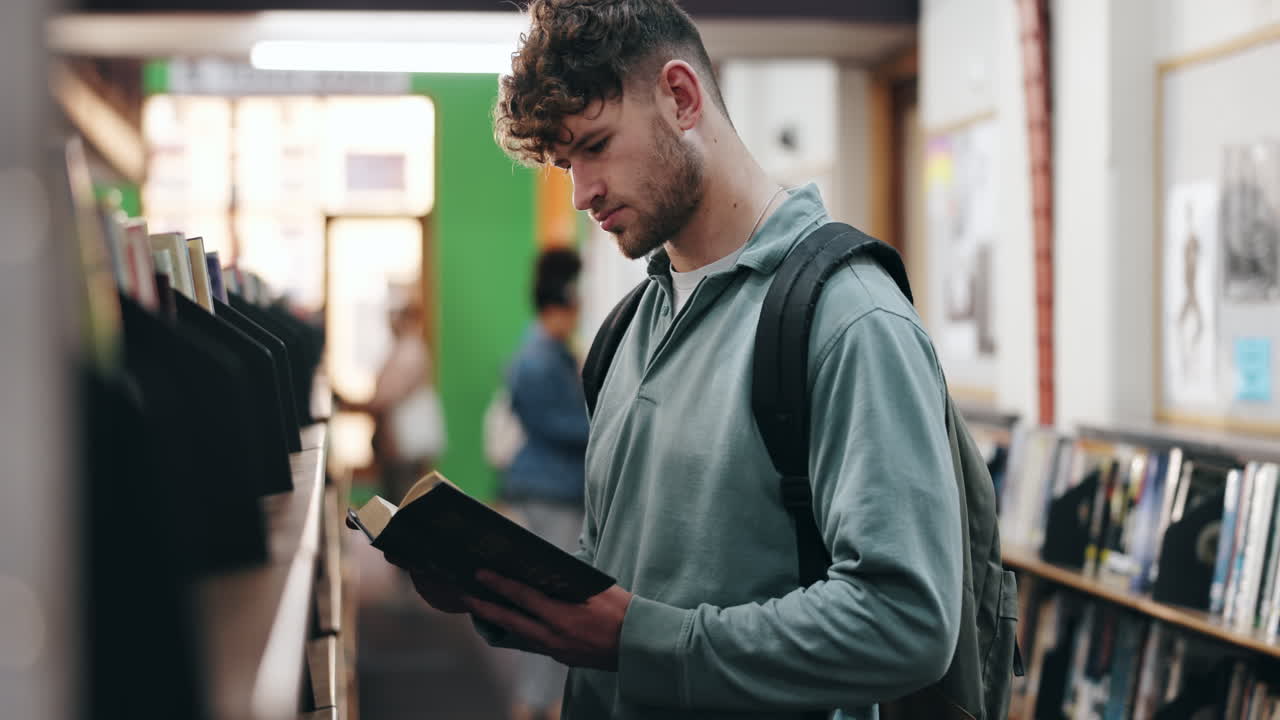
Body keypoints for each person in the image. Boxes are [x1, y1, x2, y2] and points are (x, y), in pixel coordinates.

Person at [395, 2, 963, 718]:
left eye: (596, 145)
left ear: (682, 97)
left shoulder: (849, 318)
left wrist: (643, 639)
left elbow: (907, 621)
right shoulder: (627, 330)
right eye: (568, 163)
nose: (582, 194)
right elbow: (613, 588)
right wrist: (494, 590)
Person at [500, 247, 591, 720]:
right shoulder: (538, 358)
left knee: (549, 603)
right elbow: (558, 426)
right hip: (550, 492)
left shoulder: (548, 352)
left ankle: (542, 701)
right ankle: (534, 703)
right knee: (552, 605)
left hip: (550, 489)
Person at [338, 288, 445, 504]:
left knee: (403, 502)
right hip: (396, 443)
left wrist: (354, 405)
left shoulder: (411, 351)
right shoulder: (400, 348)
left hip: (404, 443)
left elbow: (388, 396)